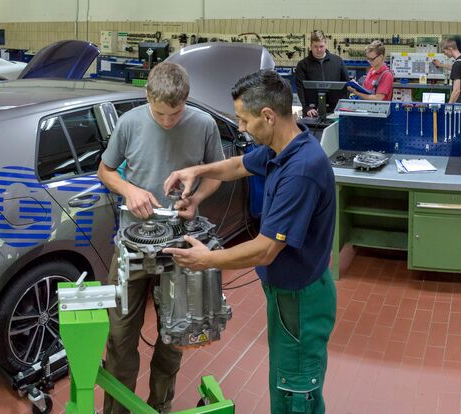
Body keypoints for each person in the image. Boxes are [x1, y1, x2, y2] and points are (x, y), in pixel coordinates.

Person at [162, 69, 337, 414]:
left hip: (302, 300)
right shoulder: (280, 147)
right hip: (286, 293)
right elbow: (238, 165)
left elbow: (266, 249)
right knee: (284, 379)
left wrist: (207, 259)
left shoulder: (300, 169)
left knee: (296, 388)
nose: (240, 128)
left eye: (243, 121)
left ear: (268, 116)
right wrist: (196, 172)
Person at [95, 61, 225, 414]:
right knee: (120, 337)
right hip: (132, 246)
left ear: (186, 100)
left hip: (180, 248)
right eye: (160, 113)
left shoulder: (204, 124)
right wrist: (129, 190)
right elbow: (105, 170)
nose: (168, 120)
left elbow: (216, 174)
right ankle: (118, 410)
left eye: (176, 112)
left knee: (174, 334)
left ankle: (160, 406)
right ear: (147, 97)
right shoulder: (130, 122)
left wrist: (196, 199)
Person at [292, 30, 348, 118]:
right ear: (310, 46)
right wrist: (306, 108)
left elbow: (347, 85)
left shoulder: (338, 61)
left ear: (326, 45)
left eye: (321, 46)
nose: (319, 50)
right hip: (311, 112)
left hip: (335, 111)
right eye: (315, 46)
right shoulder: (302, 65)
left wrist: (343, 106)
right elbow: (300, 88)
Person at [434, 39, 461, 103]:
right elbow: (457, 69)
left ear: (450, 49)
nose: (444, 54)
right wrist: (440, 65)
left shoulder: (458, 65)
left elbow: (456, 91)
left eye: (444, 51)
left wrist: (448, 105)